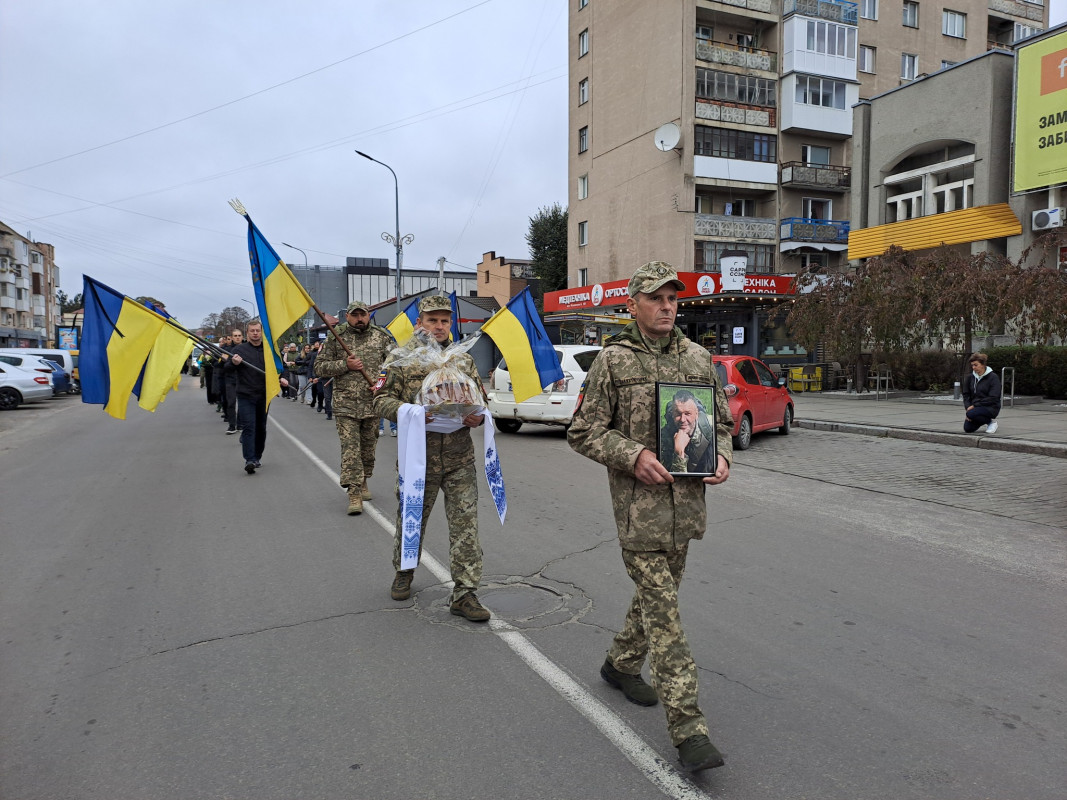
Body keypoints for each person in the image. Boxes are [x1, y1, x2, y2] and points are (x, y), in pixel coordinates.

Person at [567, 261, 734, 772]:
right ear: (634, 304)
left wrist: (723, 454)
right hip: (639, 514)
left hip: (685, 513)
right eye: (656, 298)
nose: (667, 306)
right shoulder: (613, 362)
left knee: (656, 600)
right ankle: (689, 729)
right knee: (665, 615)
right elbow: (582, 431)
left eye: (672, 298)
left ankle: (619, 665)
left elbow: (721, 423)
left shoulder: (699, 358)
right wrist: (631, 454)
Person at [372, 295, 490, 623]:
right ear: (419, 322)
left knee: (466, 526)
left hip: (459, 458)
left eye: (444, 321)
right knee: (412, 521)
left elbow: (481, 399)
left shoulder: (462, 359)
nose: (439, 327)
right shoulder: (401, 358)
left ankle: (465, 593)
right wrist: (410, 412)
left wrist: (477, 416)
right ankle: (405, 571)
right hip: (417, 459)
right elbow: (379, 400)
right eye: (432, 320)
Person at [315, 301, 395, 515]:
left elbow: (395, 367)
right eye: (355, 315)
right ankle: (354, 493)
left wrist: (378, 385)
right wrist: (345, 365)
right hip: (346, 405)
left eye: (363, 314)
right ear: (347, 317)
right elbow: (319, 367)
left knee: (368, 451)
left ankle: (363, 480)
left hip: (373, 404)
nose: (359, 318)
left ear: (369, 316)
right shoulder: (335, 337)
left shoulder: (382, 336)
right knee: (351, 451)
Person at [226, 319, 287, 474]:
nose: (255, 333)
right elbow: (226, 369)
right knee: (248, 426)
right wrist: (234, 363)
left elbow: (279, 368)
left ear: (261, 332)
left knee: (261, 428)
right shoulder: (240, 350)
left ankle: (257, 456)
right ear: (247, 333)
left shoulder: (269, 350)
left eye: (257, 330)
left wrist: (282, 377)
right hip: (246, 394)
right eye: (252, 331)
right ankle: (249, 459)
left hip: (263, 395)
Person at [658, 388, 718, 474]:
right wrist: (679, 453)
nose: (682, 419)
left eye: (687, 414)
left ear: (696, 413)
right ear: (672, 414)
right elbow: (670, 478)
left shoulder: (711, 429)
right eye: (678, 414)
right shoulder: (664, 435)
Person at [962, 352, 1002, 434]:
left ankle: (991, 423)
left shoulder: (993, 377)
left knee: (971, 414)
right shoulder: (970, 378)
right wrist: (968, 407)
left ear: (983, 364)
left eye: (976, 365)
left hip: (990, 407)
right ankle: (989, 422)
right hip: (974, 408)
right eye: (972, 365)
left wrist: (974, 407)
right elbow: (966, 394)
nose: (973, 367)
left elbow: (994, 397)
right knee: (968, 428)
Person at [222, 329, 243, 434]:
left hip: (243, 379)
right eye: (235, 336)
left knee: (242, 403)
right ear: (232, 337)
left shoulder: (246, 348)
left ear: (242, 337)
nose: (237, 337)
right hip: (230, 379)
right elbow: (224, 366)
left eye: (239, 335)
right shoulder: (226, 350)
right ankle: (232, 425)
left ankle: (240, 424)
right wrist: (232, 362)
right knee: (231, 402)